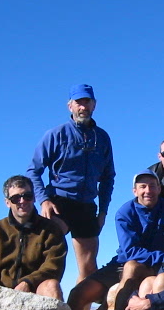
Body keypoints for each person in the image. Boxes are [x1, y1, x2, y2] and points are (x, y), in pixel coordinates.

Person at [68, 170, 164, 310]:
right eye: (142, 186)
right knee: (78, 293)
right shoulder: (125, 212)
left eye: (152, 186)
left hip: (154, 266)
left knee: (132, 268)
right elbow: (131, 251)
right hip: (122, 262)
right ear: (135, 191)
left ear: (159, 189)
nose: (147, 190)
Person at [27, 83, 116, 285]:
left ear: (94, 105)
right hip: (59, 203)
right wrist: (43, 201)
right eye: (78, 103)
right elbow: (33, 171)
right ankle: (43, 306)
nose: (83, 107)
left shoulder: (102, 138)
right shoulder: (55, 135)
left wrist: (103, 212)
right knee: (51, 262)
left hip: (87, 206)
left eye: (87, 102)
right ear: (70, 106)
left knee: (89, 268)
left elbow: (109, 177)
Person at [0, 175, 67, 310]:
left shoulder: (51, 230)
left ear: (33, 198)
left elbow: (54, 267)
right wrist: (1, 295)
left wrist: (28, 283)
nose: (22, 201)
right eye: (15, 198)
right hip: (0, 293)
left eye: (27, 196)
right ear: (7, 202)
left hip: (35, 290)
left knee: (52, 286)